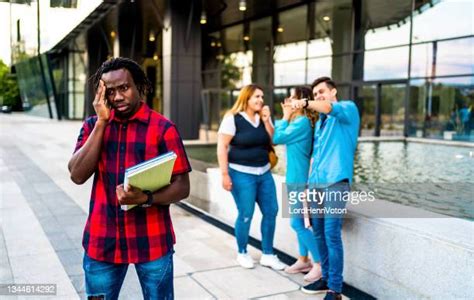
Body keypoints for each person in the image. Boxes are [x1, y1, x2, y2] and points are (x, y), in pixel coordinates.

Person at [68, 57, 191, 300]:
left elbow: (182, 187)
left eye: (124, 88)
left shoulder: (163, 128)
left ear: (139, 86)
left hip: (152, 241)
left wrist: (146, 197)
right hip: (103, 241)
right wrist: (102, 122)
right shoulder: (93, 125)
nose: (117, 97)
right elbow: (77, 175)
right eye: (110, 91)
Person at [292, 77, 360, 300]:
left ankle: (335, 290)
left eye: (322, 92)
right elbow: (317, 158)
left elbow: (329, 107)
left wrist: (304, 103)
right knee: (319, 232)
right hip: (316, 186)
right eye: (315, 94)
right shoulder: (321, 122)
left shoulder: (347, 109)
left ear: (333, 92)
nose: (318, 96)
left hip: (336, 184)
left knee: (331, 234)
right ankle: (326, 278)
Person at [217, 84, 286, 271]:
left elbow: (273, 140)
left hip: (264, 173)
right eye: (256, 97)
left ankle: (268, 254)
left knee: (271, 211)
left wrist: (267, 121)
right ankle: (242, 252)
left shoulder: (262, 118)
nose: (260, 100)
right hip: (240, 174)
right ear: (246, 98)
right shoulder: (233, 118)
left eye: (262, 97)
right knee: (246, 214)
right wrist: (224, 174)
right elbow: (222, 146)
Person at [273, 86, 322, 282]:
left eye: (293, 97)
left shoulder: (301, 122)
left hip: (300, 181)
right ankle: (303, 259)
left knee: (297, 223)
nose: (288, 99)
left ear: (301, 101)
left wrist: (285, 115)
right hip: (294, 178)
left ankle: (319, 263)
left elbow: (277, 138)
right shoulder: (301, 121)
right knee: (300, 222)